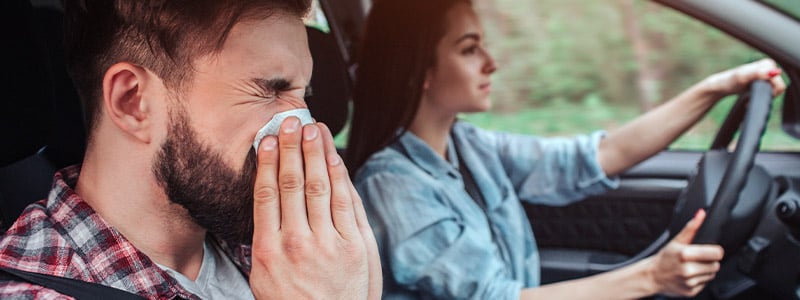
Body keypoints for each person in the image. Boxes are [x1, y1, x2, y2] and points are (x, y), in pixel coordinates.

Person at [345, 0, 786, 299]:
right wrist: (652, 276)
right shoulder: (392, 185)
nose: (491, 62)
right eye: (469, 48)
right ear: (421, 70)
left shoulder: (467, 145)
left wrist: (714, 89)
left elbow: (598, 157)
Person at [0, 0, 381, 299]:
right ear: (134, 101)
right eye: (270, 90)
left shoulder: (276, 248)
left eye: (304, 94)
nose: (304, 126)